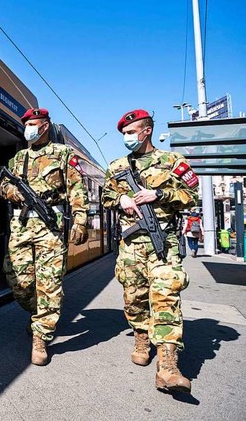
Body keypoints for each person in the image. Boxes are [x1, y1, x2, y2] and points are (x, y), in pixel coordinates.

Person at [102, 109, 199, 393]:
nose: (126, 137)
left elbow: (191, 195)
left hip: (164, 242)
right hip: (131, 245)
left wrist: (160, 194)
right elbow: (106, 195)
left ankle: (168, 365)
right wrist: (121, 198)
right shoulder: (117, 166)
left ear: (147, 131)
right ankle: (141, 336)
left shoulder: (172, 161)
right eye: (124, 133)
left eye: (131, 132)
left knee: (166, 296)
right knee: (134, 298)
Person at [0, 107, 89, 366]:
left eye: (34, 123)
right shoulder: (19, 158)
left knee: (49, 282)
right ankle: (39, 314)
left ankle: (41, 336)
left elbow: (77, 189)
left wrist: (80, 220)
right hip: (21, 225)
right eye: (26, 124)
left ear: (45, 125)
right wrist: (10, 192)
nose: (29, 128)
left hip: (50, 226)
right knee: (19, 281)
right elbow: (4, 183)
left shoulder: (63, 154)